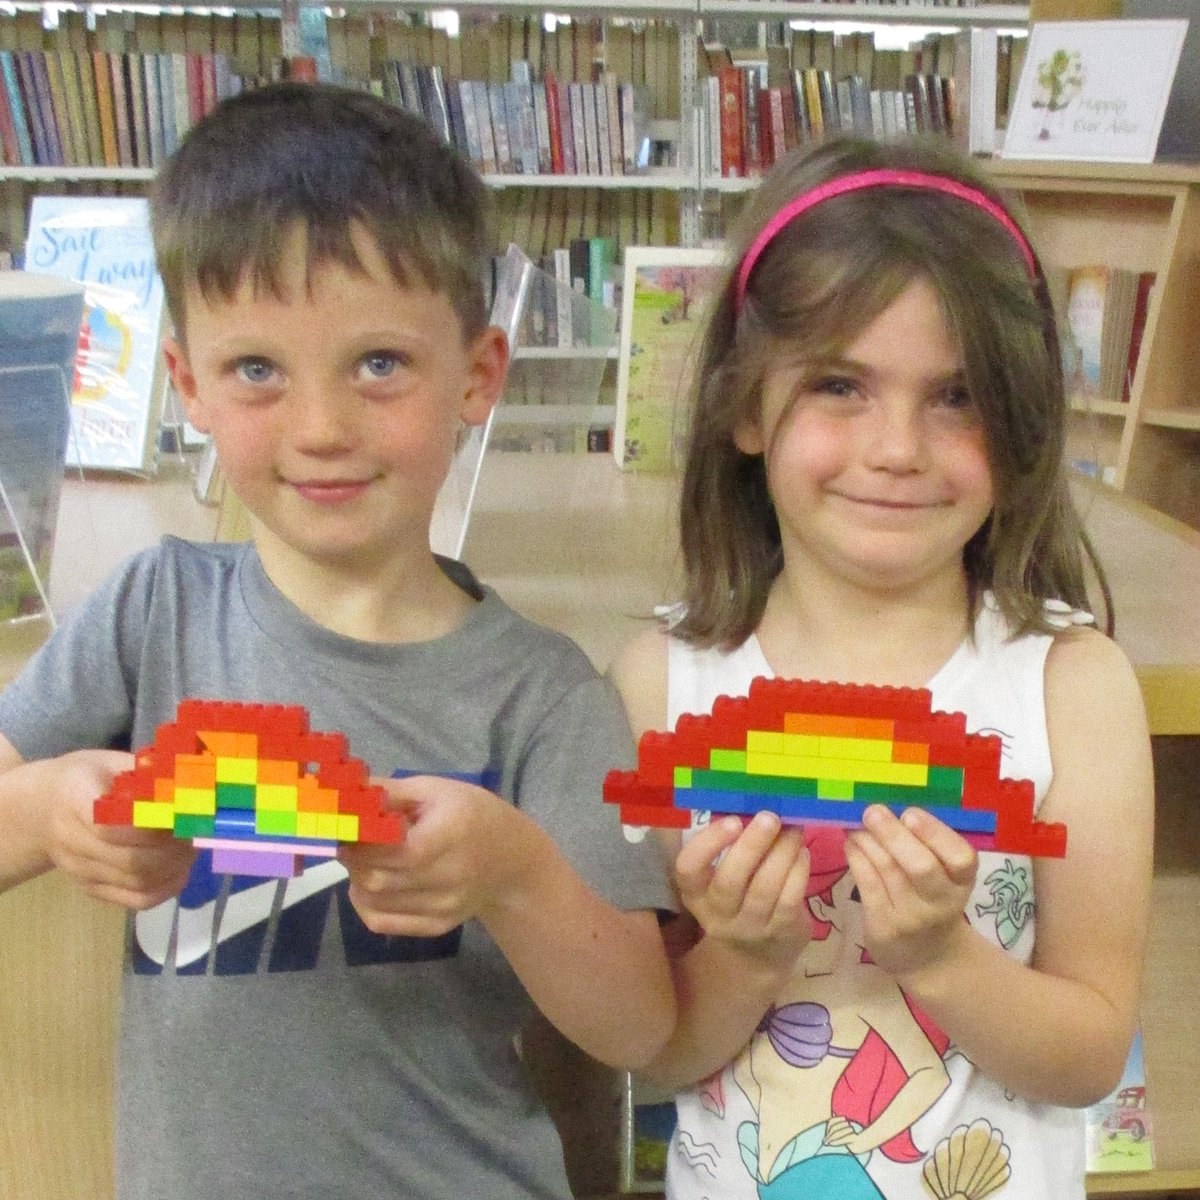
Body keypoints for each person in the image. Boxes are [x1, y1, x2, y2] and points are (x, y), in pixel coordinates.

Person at [0, 82, 675, 1200]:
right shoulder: (154, 612)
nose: (321, 430)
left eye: (378, 365)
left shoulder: (541, 694)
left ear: (477, 375)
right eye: (257, 370)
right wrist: (48, 809)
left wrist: (515, 875)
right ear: (188, 386)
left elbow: (641, 1026)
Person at [610, 136, 1154, 1200]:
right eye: (840, 385)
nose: (897, 447)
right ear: (746, 406)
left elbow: (1091, 1055)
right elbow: (653, 1053)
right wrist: (742, 955)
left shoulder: (1071, 685)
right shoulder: (660, 681)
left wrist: (944, 957)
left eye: (956, 396)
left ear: (1023, 418)